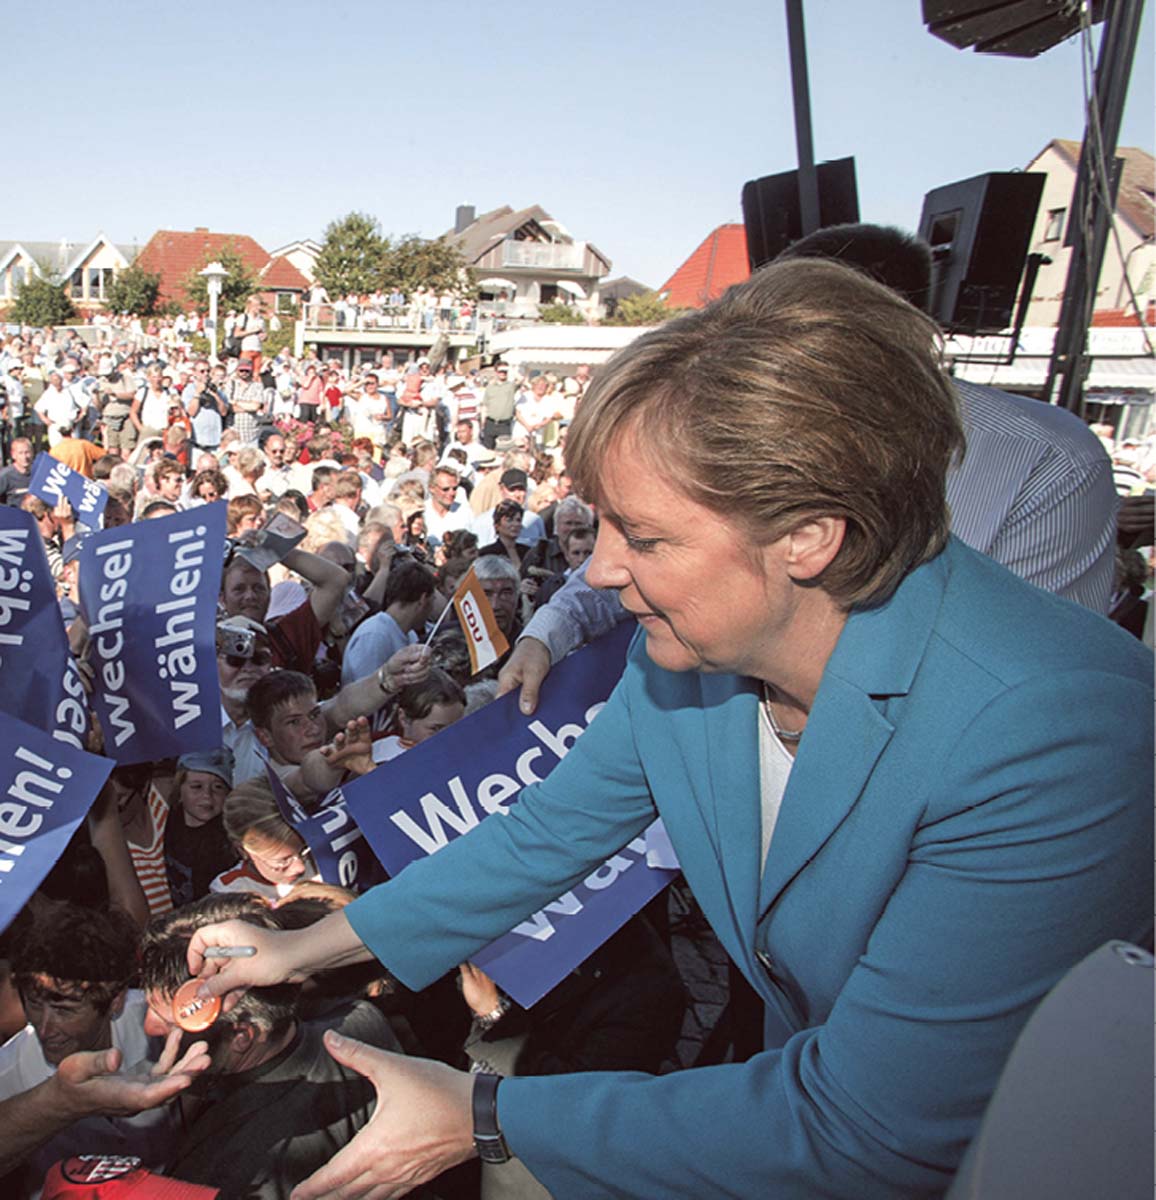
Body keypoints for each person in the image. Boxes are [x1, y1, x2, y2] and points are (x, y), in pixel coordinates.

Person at [188, 259, 1153, 1200]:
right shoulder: (683, 653)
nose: (600, 571)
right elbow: (542, 838)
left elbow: (869, 1130)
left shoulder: (1055, 734)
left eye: (644, 538)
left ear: (809, 535)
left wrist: (487, 1116)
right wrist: (296, 951)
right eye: (601, 525)